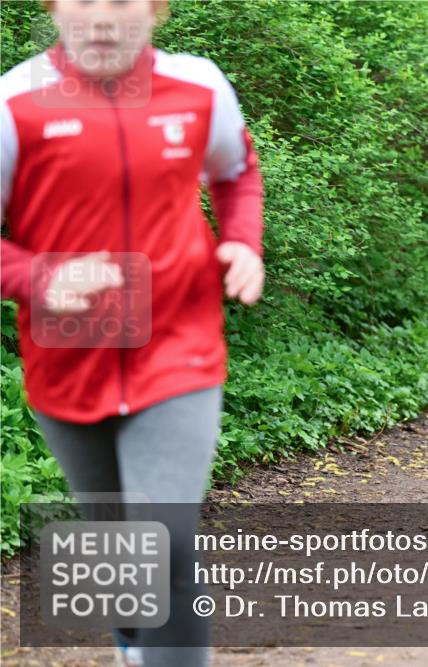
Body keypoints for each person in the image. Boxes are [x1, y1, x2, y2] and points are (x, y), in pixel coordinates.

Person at [1, 1, 265, 664]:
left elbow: (236, 176)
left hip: (179, 344)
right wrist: (35, 275)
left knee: (166, 542)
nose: (101, 19)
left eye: (121, 1)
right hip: (66, 359)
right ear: (53, 9)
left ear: (156, 11)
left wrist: (241, 241)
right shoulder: (14, 103)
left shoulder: (200, 86)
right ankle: (135, 648)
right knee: (114, 545)